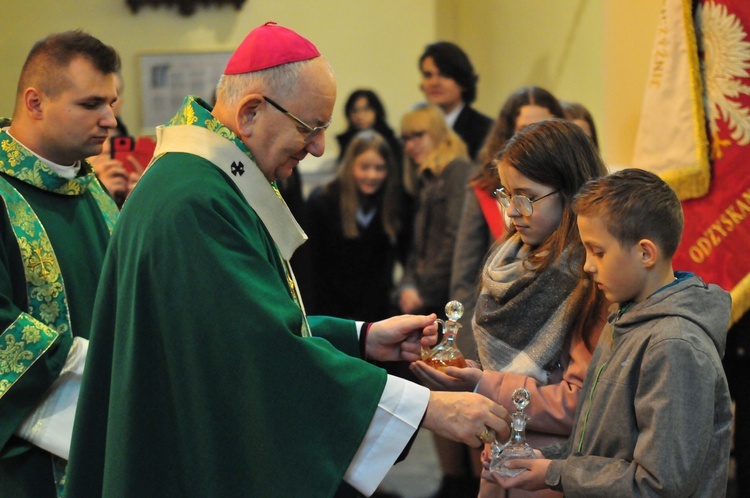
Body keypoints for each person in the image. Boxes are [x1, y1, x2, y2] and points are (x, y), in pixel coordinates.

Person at [63, 22, 510, 498]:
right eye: (310, 127)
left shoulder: (202, 182)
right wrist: (428, 409)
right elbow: (257, 351)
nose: (318, 147)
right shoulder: (193, 199)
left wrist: (361, 338)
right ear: (252, 111)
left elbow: (242, 324)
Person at [494, 168, 732, 497]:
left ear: (646, 253)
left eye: (598, 252)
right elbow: (597, 448)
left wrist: (558, 473)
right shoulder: (623, 317)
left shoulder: (674, 345)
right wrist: (542, 461)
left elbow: (660, 485)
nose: (588, 266)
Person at [412, 119, 609, 498]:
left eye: (525, 197)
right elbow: (505, 368)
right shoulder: (509, 261)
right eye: (506, 195)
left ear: (568, 193)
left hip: (550, 472)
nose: (512, 212)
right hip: (501, 460)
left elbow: (578, 403)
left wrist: (484, 384)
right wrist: (472, 374)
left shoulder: (590, 280)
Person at [0, 31, 120, 497]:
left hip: (109, 454)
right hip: (26, 468)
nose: (110, 119)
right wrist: (113, 373)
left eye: (112, 102)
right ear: (35, 102)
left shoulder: (96, 194)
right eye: (91, 104)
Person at [451, 86, 565, 362]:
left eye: (545, 126)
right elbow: (465, 279)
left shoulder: (565, 199)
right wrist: (474, 352)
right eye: (526, 128)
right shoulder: (483, 191)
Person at [306, 131, 409, 322]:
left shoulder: (393, 204)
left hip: (375, 316)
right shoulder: (323, 201)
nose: (372, 175)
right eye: (365, 167)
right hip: (329, 315)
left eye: (380, 168)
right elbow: (310, 267)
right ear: (350, 166)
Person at [419, 41, 492, 160]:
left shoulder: (486, 131)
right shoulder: (417, 130)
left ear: (463, 82)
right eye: (428, 75)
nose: (434, 83)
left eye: (444, 75)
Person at [336, 89, 402, 165]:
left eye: (366, 109)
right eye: (354, 110)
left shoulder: (390, 142)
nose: (360, 116)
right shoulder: (346, 141)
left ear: (377, 111)